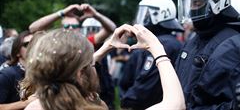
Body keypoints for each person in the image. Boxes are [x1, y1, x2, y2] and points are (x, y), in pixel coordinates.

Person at [24, 24, 185, 110]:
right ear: (81, 74)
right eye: (91, 64)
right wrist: (156, 47)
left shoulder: (34, 106)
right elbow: (175, 104)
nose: (95, 65)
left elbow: (68, 70)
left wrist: (106, 46)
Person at [175, 0, 240, 109]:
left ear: (218, 1)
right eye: (189, 3)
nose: (191, 9)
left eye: (197, 3)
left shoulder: (233, 43)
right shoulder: (192, 41)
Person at [119, 0, 184, 109]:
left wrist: (126, 100)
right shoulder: (170, 43)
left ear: (159, 15)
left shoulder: (163, 45)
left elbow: (145, 88)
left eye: (146, 14)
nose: (141, 19)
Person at [29, 3, 116, 47]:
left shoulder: (86, 42)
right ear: (61, 28)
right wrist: (61, 13)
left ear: (79, 28)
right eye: (67, 26)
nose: (70, 28)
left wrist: (96, 15)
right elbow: (33, 28)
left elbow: (112, 28)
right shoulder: (53, 43)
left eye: (74, 26)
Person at [0, 31, 35, 109]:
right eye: (28, 44)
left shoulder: (44, 74)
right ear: (17, 52)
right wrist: (27, 102)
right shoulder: (7, 75)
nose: (34, 48)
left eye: (37, 44)